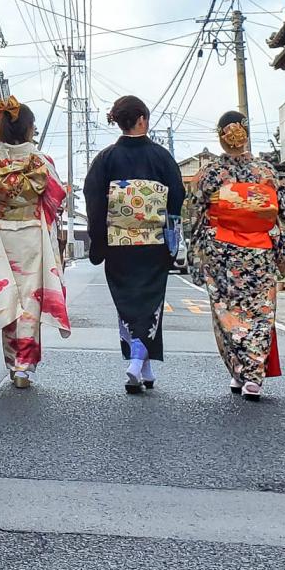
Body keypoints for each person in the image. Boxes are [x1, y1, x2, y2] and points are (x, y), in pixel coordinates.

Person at [182, 110, 285, 401]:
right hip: (259, 254)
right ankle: (253, 376)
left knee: (226, 313)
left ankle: (237, 370)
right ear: (245, 135)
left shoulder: (209, 174)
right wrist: (284, 257)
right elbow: (283, 219)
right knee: (259, 314)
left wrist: (194, 257)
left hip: (222, 254)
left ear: (220, 137)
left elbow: (193, 217)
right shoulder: (267, 173)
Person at [82, 94, 183, 394]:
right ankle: (137, 361)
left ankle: (143, 365)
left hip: (118, 242)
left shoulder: (106, 159)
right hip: (152, 243)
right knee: (149, 302)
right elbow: (176, 197)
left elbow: (93, 199)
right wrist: (171, 238)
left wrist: (99, 238)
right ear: (141, 120)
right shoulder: (162, 157)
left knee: (127, 302)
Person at [0, 97, 72, 389]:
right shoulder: (40, 160)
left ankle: (11, 361)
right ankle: (24, 366)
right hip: (31, 232)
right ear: (31, 128)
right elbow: (56, 196)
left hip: (1, 235)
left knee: (6, 296)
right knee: (31, 297)